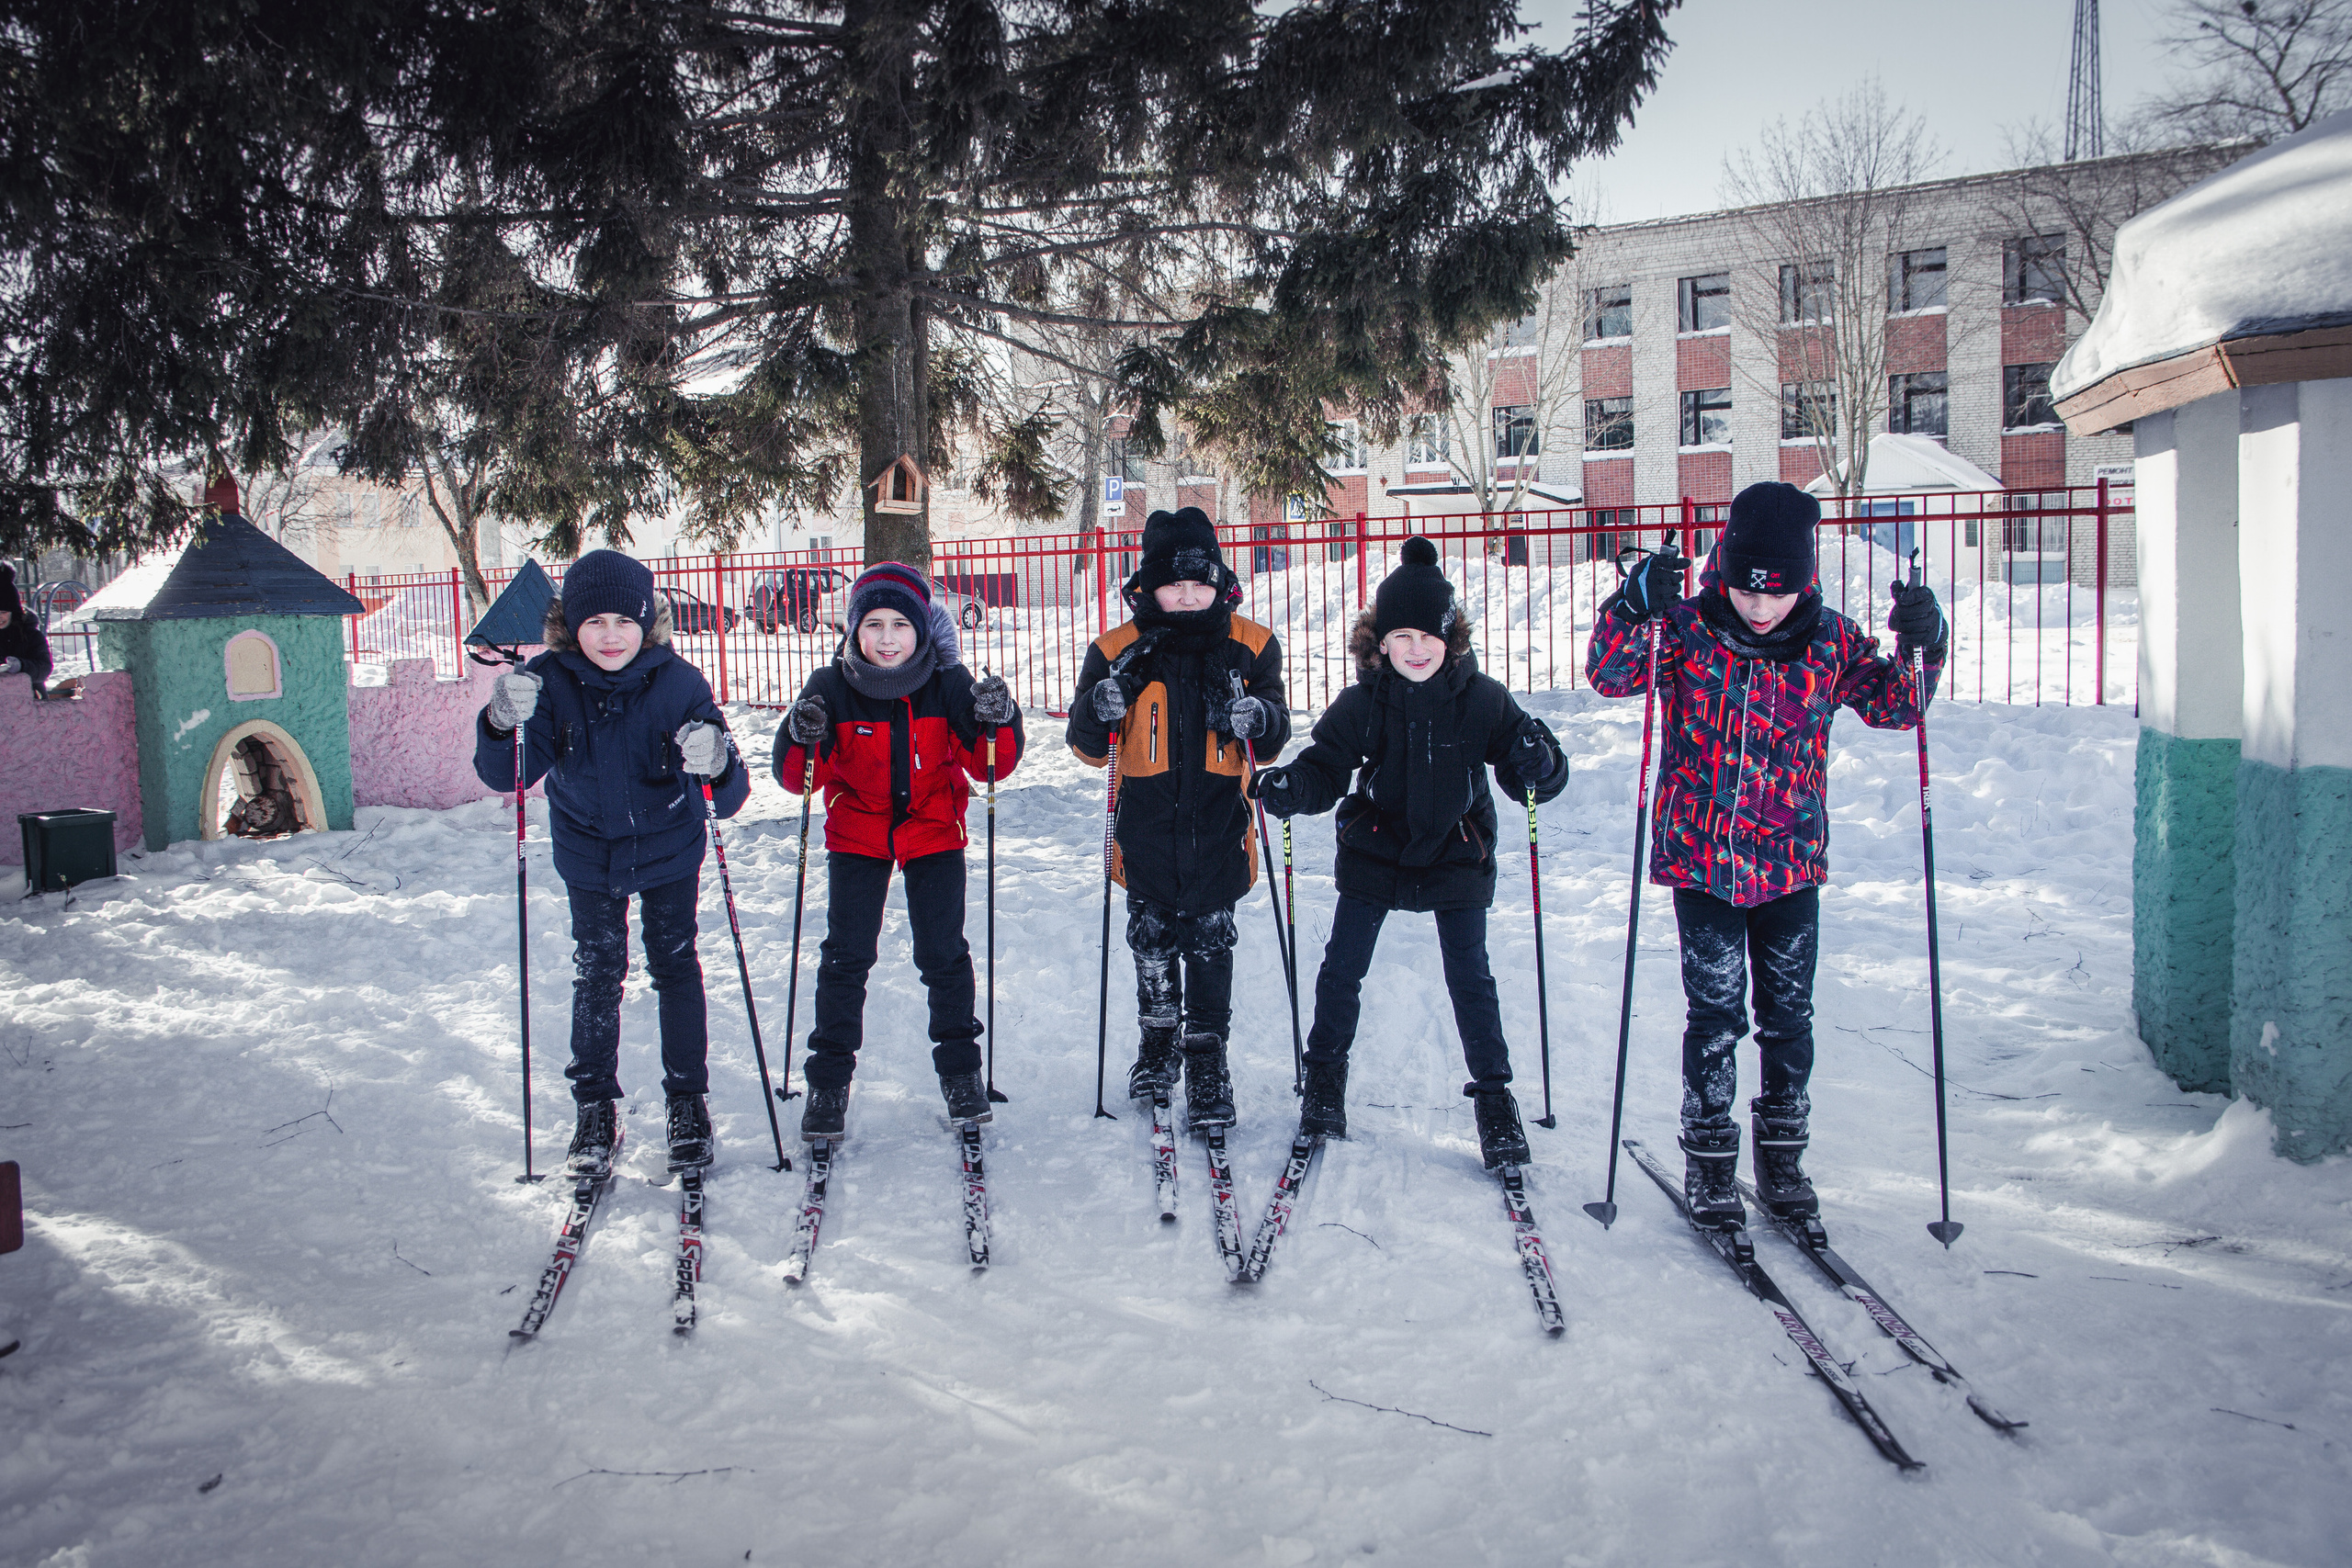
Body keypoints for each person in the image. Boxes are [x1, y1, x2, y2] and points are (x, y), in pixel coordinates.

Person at [1585, 481, 1947, 1231]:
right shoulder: (1685, 628)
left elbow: (1901, 704)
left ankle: (1782, 1154)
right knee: (1714, 1016)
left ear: (1803, 580)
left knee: (1787, 1017)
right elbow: (1610, 675)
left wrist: (1927, 640)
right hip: (1702, 859)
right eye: (1749, 590)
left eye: (1777, 594)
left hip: (1789, 863)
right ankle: (1710, 1158)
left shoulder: (1831, 641)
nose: (1759, 608)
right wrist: (1631, 605)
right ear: (1727, 569)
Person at [1249, 537, 1567, 1169]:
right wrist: (1292, 786)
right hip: (1377, 848)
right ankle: (1325, 1080)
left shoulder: (1481, 698)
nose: (1416, 649)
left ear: (1452, 638)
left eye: (1429, 636)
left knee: (1470, 977)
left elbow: (1527, 764)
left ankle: (1495, 1099)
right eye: (1401, 637)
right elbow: (1325, 765)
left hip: (1457, 850)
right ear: (1379, 643)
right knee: (1343, 968)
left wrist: (1541, 760)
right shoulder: (1365, 703)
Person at [471, 549, 751, 1179]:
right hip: (587, 850)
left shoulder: (680, 683)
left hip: (670, 847)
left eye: (623, 621)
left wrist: (717, 758)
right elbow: (507, 774)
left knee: (675, 965)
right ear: (571, 625)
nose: (609, 634)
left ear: (646, 622)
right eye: (592, 621)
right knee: (597, 971)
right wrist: (499, 721)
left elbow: (730, 798)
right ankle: (595, 1105)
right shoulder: (549, 680)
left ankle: (687, 1099)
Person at [772, 564, 1023, 1140]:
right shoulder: (830, 686)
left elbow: (993, 765)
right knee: (846, 956)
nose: (887, 639)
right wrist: (801, 733)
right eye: (874, 625)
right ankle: (829, 1082)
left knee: (943, 955)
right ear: (854, 629)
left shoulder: (948, 682)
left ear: (922, 631)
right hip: (858, 834)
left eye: (901, 625)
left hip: (933, 829)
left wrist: (996, 720)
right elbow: (799, 779)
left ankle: (962, 1074)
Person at [1066, 507, 1287, 1128]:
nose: (1188, 596)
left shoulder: (1251, 644)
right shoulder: (1117, 650)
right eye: (1174, 584)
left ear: (1220, 582)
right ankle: (1159, 1041)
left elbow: (1273, 734)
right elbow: (1086, 747)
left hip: (1221, 830)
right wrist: (1098, 708)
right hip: (1146, 835)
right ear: (1148, 586)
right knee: (1153, 942)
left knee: (1212, 943)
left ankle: (1208, 1055)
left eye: (1201, 583)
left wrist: (1259, 719)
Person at [0, 564, 55, 696]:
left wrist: (22, 666)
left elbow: (44, 668)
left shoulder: (30, 634)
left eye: (4, 612)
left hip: (30, 699)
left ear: (13, 611)